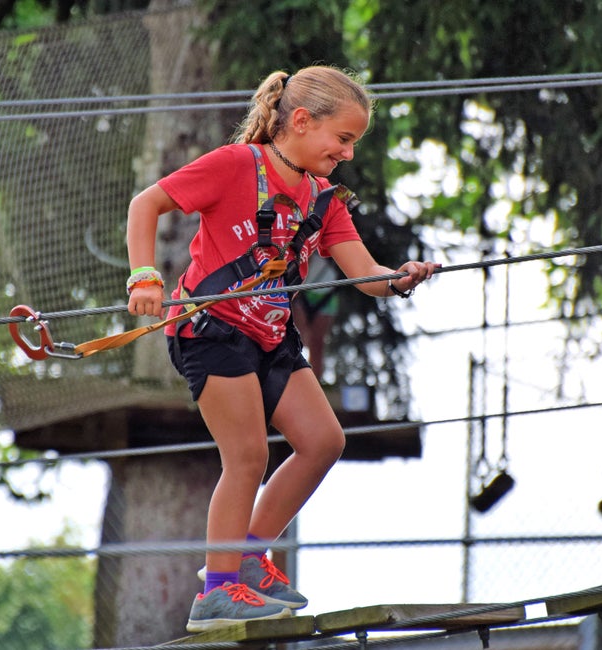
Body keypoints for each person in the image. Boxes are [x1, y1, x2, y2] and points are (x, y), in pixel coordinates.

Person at [125, 65, 439, 632]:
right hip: (211, 330)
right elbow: (145, 205)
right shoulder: (235, 166)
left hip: (270, 335)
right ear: (300, 121)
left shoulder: (324, 199)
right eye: (342, 138)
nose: (347, 153)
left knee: (323, 441)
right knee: (247, 457)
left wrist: (399, 279)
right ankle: (216, 594)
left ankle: (248, 554)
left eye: (354, 143)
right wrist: (145, 277)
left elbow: (365, 274)